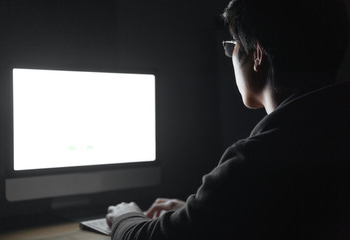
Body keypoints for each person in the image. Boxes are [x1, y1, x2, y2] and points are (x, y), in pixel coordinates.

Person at [106, 0, 350, 239]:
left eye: (232, 45)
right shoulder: (332, 135)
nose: (230, 53)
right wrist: (204, 214)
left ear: (257, 55)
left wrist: (126, 216)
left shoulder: (255, 161)